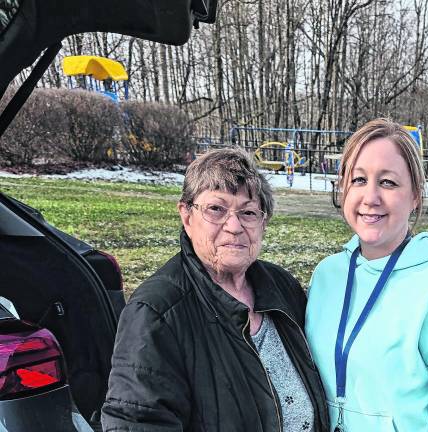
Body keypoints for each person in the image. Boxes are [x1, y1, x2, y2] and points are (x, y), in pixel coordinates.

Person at [101, 148, 329, 432]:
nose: (234, 226)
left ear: (263, 223)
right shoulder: (156, 312)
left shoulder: (282, 287)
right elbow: (136, 424)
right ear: (187, 215)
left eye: (248, 212)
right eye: (216, 209)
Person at [305, 118, 428, 431]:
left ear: (415, 195)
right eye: (359, 179)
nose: (370, 197)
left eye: (388, 182)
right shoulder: (326, 276)